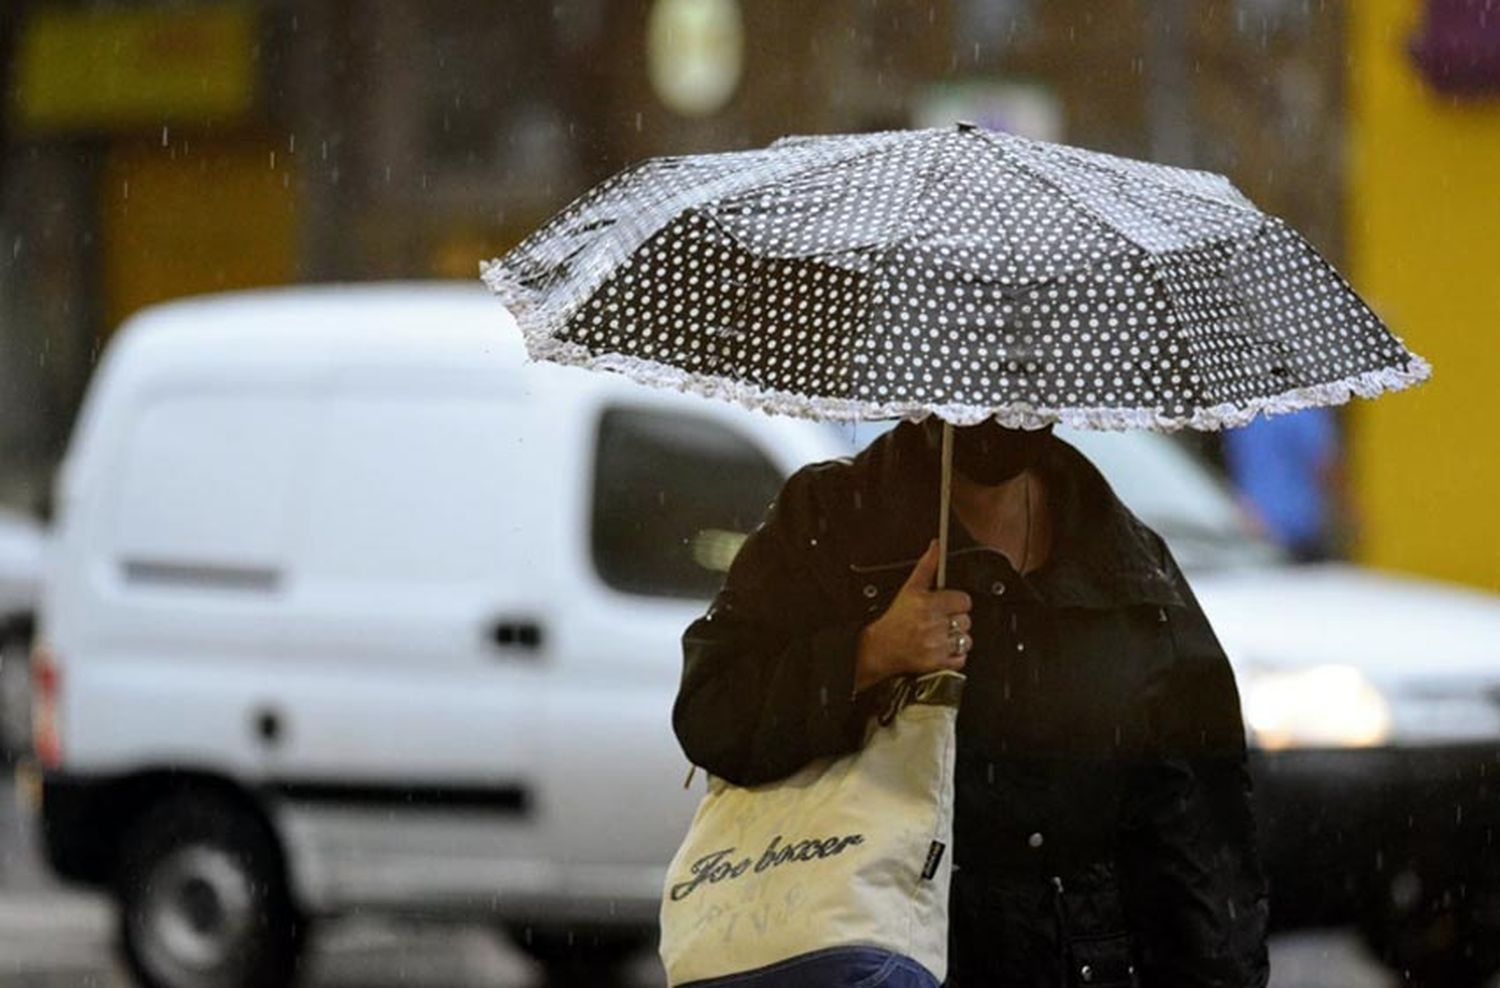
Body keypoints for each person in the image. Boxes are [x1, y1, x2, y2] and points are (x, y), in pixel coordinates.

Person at [673, 419, 1269, 987]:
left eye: (1032, 368)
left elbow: (1195, 825)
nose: (1007, 408)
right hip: (885, 951)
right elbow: (713, 712)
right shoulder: (834, 521)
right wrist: (871, 653)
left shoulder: (1123, 559)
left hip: (1080, 959)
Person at [1222, 408, 1343, 563]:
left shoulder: (1242, 412)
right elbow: (1325, 466)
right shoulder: (1303, 410)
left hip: (1253, 523)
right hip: (1297, 528)